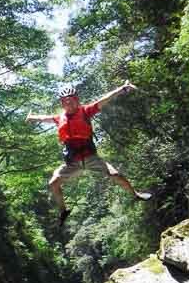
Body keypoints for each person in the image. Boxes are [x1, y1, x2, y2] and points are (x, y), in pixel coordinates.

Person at [25, 81, 152, 226]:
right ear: (62, 103)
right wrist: (31, 117)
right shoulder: (60, 118)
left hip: (91, 157)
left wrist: (122, 89)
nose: (69, 103)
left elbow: (103, 100)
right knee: (53, 183)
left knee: (116, 175)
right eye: (66, 101)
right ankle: (63, 211)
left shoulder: (86, 111)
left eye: (72, 100)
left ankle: (136, 194)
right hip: (72, 161)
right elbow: (43, 118)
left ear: (77, 100)